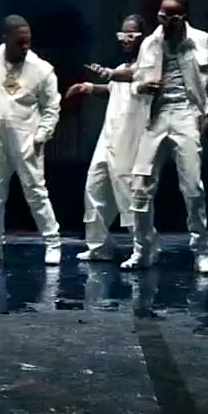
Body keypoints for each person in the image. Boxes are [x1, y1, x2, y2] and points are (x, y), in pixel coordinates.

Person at [126, 0, 208, 273]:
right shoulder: (150, 43)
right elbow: (135, 82)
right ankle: (142, 249)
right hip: (155, 116)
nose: (165, 20)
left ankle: (201, 251)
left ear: (183, 16)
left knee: (192, 188)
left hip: (186, 115)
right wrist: (142, 86)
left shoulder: (204, 41)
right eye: (162, 14)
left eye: (172, 15)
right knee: (140, 186)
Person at [0, 15, 63, 266]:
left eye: (28, 42)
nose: (25, 47)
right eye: (19, 42)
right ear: (6, 38)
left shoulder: (41, 69)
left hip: (26, 138)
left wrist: (42, 135)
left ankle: (52, 242)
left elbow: (52, 107)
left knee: (36, 191)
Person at [68, 14, 147, 262]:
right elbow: (113, 89)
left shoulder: (148, 69)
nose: (125, 40)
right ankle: (99, 246)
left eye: (131, 35)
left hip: (130, 138)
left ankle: (144, 247)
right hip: (108, 135)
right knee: (95, 186)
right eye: (121, 35)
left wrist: (109, 73)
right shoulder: (122, 68)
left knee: (128, 193)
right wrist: (89, 87)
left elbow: (131, 78)